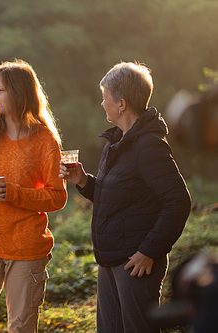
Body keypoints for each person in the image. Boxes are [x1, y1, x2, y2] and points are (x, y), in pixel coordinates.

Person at [59, 61, 191, 333]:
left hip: (135, 264)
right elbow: (116, 198)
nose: (101, 103)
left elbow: (178, 201)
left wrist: (148, 252)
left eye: (104, 96)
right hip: (110, 259)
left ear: (121, 103)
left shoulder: (149, 146)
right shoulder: (117, 143)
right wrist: (83, 181)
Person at [0, 59, 67, 332]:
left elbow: (57, 197)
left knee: (21, 328)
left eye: (1, 90)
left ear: (20, 93)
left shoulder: (45, 140)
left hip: (27, 248)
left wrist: (15, 193)